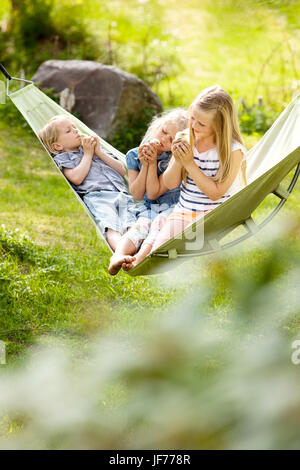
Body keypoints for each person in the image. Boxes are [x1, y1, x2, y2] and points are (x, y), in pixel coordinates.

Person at [121, 85, 247, 271]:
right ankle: (137, 258)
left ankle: (140, 258)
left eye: (201, 124)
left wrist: (189, 164)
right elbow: (170, 183)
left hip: (214, 215)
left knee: (162, 251)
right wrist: (178, 159)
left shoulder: (232, 151)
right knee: (157, 245)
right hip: (183, 211)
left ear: (219, 126)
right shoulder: (186, 136)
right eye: (192, 119)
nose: (194, 126)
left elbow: (215, 193)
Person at [108, 109, 188, 275]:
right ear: (158, 126)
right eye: (163, 131)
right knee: (141, 225)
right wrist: (144, 165)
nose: (163, 139)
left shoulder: (173, 160)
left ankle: (140, 258)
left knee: (158, 223)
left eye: (171, 139)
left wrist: (152, 164)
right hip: (148, 208)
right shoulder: (133, 155)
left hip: (171, 207)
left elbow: (153, 194)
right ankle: (118, 255)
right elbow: (137, 194)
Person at [38, 115, 137, 250]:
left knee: (132, 226)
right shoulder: (64, 158)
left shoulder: (94, 149)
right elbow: (77, 178)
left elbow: (121, 171)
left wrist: (99, 152)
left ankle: (134, 253)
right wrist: (88, 154)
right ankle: (121, 254)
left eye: (74, 127)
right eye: (68, 131)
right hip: (98, 197)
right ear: (58, 145)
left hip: (121, 194)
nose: (75, 131)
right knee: (112, 227)